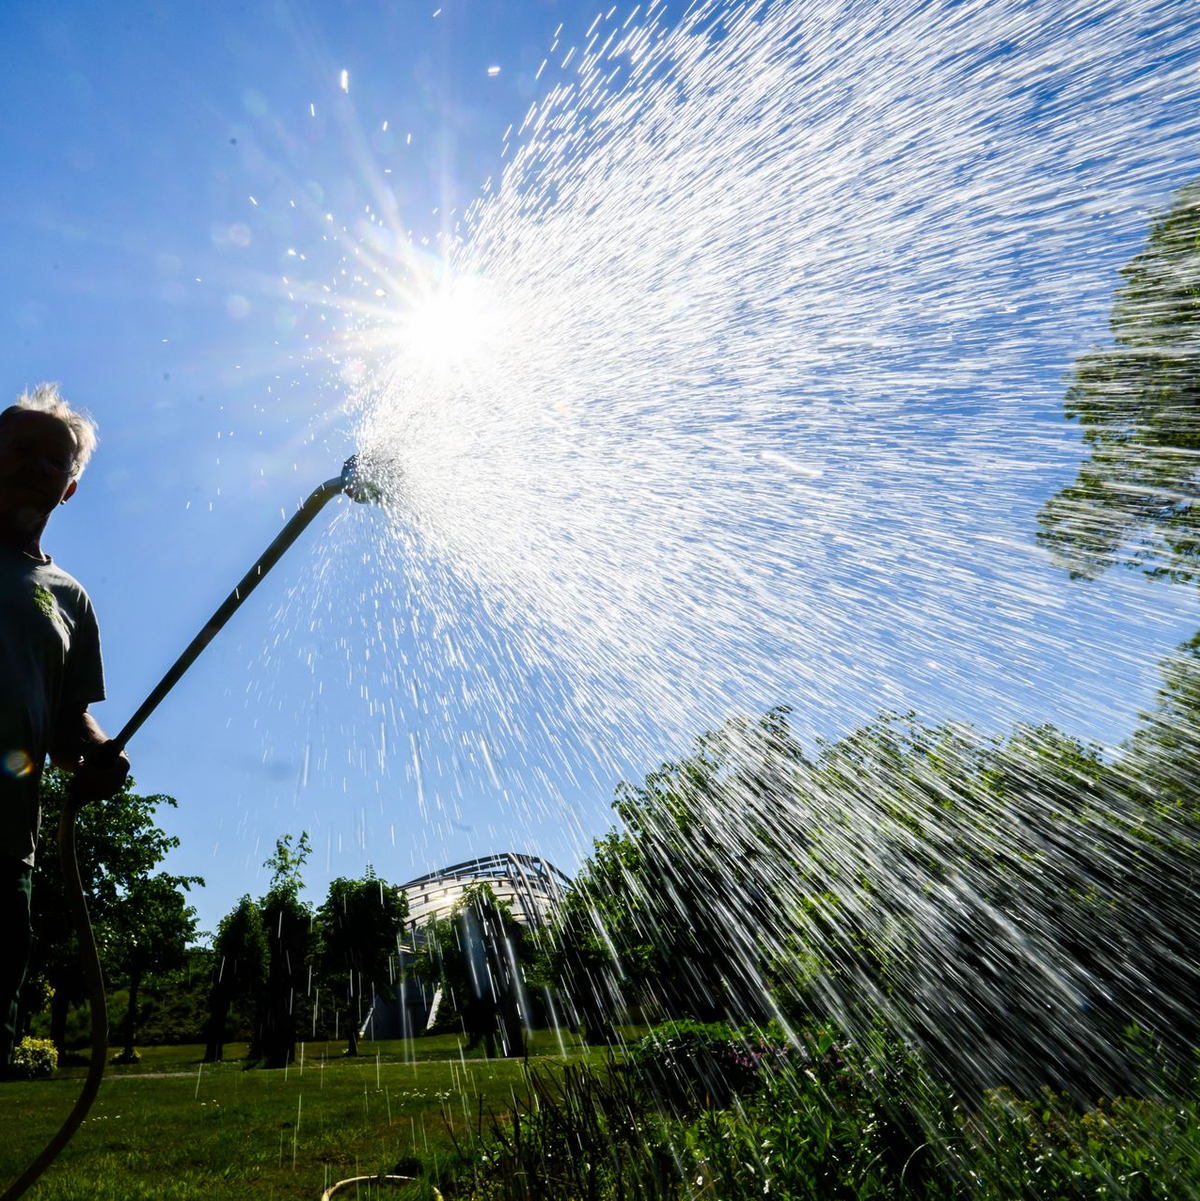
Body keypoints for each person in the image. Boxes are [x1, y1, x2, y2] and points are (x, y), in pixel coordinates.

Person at [0, 383, 129, 1070]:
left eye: (54, 461)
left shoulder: (68, 597)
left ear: (70, 489)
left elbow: (68, 723)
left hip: (3, 853)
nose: (35, 467)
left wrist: (102, 753)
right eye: (20, 449)